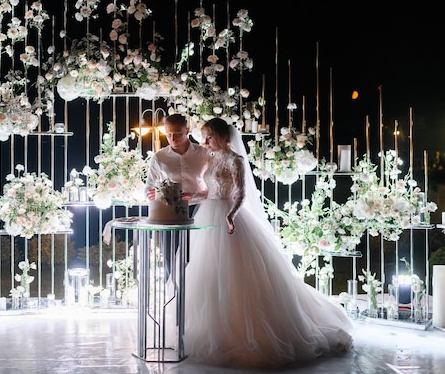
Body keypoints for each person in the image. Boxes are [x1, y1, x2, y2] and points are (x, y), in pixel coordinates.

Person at [183, 117, 354, 368]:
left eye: (208, 136)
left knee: (238, 277)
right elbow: (210, 191)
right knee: (206, 273)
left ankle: (245, 330)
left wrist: (231, 214)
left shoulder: (235, 160)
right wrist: (191, 196)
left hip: (230, 220)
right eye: (203, 136)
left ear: (221, 135)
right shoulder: (209, 159)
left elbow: (239, 193)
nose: (204, 141)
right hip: (208, 216)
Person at [144, 113, 210, 277]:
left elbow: (214, 187)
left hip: (199, 211)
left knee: (197, 257)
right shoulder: (159, 157)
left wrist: (194, 196)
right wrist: (152, 194)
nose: (173, 138)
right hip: (169, 214)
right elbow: (148, 188)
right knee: (170, 258)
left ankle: (193, 298)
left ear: (187, 130)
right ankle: (172, 296)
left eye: (177, 134)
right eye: (168, 134)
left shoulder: (203, 154)